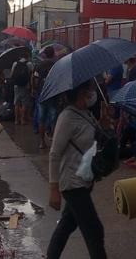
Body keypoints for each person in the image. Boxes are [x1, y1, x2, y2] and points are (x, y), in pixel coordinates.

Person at [46, 80, 107, 259]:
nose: (92, 92)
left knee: (67, 224)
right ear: (81, 92)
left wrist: (105, 120)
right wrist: (53, 189)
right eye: (89, 89)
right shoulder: (66, 117)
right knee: (94, 230)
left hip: (85, 179)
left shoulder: (85, 113)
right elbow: (54, 154)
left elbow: (96, 139)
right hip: (72, 183)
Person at [33, 46, 58, 149]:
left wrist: (35, 89)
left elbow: (35, 78)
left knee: (41, 119)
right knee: (53, 119)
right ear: (52, 54)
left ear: (45, 54)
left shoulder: (39, 65)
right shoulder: (56, 65)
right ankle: (54, 143)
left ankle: (42, 142)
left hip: (41, 95)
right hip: (52, 95)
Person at [12, 58, 32, 125]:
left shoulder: (15, 63)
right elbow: (31, 75)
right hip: (25, 85)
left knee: (16, 103)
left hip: (16, 85)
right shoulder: (29, 64)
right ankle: (23, 120)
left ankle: (16, 120)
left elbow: (12, 74)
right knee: (24, 103)